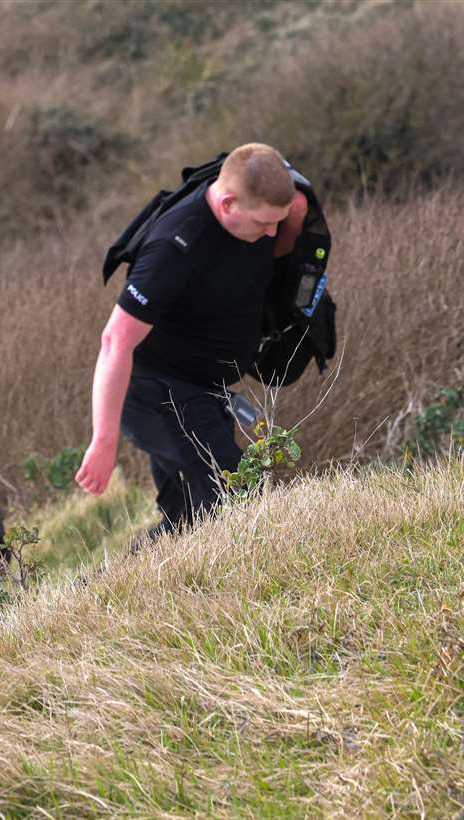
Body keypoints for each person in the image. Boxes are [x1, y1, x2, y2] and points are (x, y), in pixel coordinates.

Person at [74, 143, 308, 535]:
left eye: (277, 223)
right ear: (229, 203)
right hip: (153, 391)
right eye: (264, 224)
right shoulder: (174, 246)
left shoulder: (261, 211)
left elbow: (284, 202)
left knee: (188, 517)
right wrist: (103, 440)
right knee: (233, 498)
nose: (272, 233)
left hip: (201, 388)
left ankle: (134, 586)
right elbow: (116, 340)